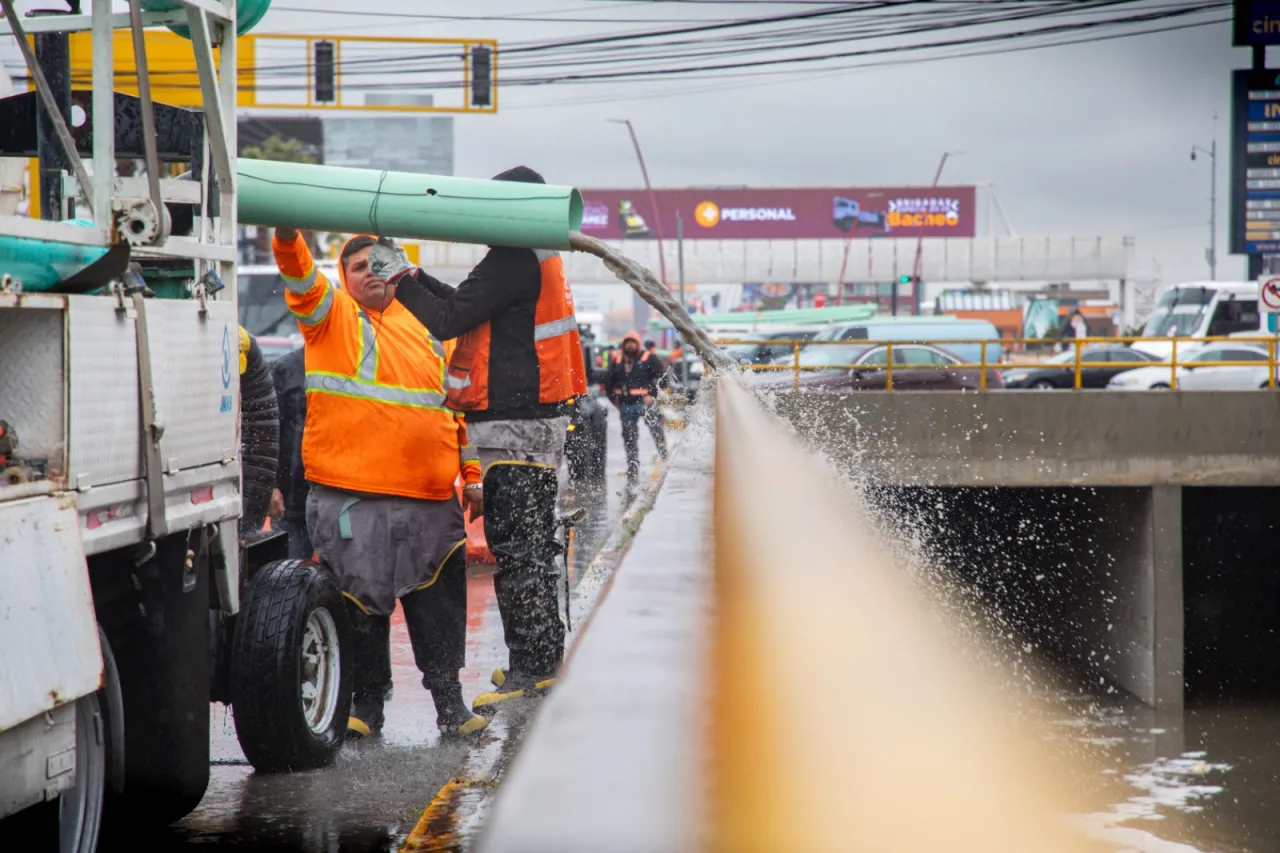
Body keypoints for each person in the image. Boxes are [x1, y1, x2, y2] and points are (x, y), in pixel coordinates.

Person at [368, 165, 588, 715]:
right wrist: (412, 274)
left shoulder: (511, 260)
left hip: (515, 430)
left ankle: (531, 669)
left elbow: (446, 320)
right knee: (532, 549)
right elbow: (466, 304)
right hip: (531, 428)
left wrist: (398, 281)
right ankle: (541, 657)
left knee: (518, 553)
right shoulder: (533, 258)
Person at [271, 226, 487, 741]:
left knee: (439, 606)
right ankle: (366, 705)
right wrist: (285, 233)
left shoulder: (436, 329)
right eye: (359, 266)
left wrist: (473, 477)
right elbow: (299, 273)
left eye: (380, 263)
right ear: (342, 279)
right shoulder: (330, 318)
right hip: (353, 499)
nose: (371, 272)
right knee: (359, 606)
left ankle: (449, 705)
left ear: (401, 268)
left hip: (432, 502)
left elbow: (461, 416)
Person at [605, 331, 669, 492]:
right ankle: (632, 468)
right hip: (626, 405)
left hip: (645, 403)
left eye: (633, 342)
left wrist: (652, 395)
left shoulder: (649, 358)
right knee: (629, 438)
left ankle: (665, 458)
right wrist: (615, 400)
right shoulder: (617, 360)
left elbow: (663, 378)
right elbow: (608, 382)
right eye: (627, 342)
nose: (630, 345)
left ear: (638, 344)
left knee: (656, 430)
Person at [268, 345, 313, 560]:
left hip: (338, 505)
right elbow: (267, 431)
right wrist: (271, 486)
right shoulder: (285, 369)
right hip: (292, 503)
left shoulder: (352, 368)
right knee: (290, 580)